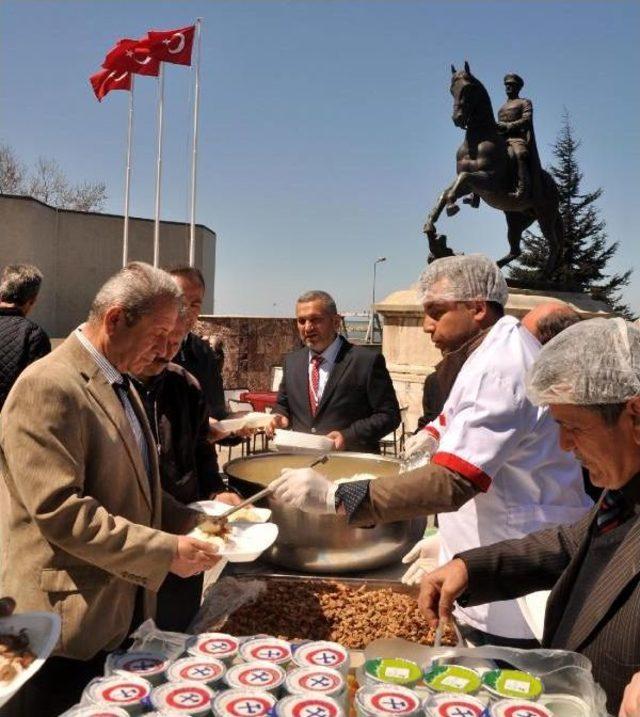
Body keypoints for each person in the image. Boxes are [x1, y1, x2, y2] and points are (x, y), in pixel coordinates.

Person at [272, 256, 591, 645]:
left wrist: (336, 496)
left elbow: (452, 482)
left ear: (476, 307)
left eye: (436, 312)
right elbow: (455, 422)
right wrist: (452, 535)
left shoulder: (502, 364)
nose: (426, 325)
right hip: (493, 546)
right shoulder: (486, 352)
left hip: (518, 569)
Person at [0, 262, 221, 716]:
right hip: (60, 632)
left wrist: (194, 520)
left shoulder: (123, 382)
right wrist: (166, 552)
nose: (166, 353)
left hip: (116, 618)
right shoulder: (48, 385)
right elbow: (64, 513)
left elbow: (140, 490)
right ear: (116, 319)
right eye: (159, 336)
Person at [418, 318, 640, 715]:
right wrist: (471, 568)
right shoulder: (624, 485)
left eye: (573, 427)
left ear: (635, 416)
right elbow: (572, 543)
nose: (564, 444)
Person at [131, 306, 241, 632]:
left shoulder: (185, 385)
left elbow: (202, 454)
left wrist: (218, 491)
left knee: (176, 632)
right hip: (132, 543)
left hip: (187, 539)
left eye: (176, 342)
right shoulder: (111, 388)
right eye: (158, 339)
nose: (165, 352)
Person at [268, 290, 400, 453]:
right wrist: (279, 418)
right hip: (302, 464)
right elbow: (283, 405)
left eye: (316, 320)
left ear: (336, 322)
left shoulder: (366, 361)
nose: (308, 327)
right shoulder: (292, 362)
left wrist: (348, 436)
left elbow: (389, 416)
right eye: (302, 321)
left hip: (350, 465)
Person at [169, 265, 227, 421]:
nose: (187, 311)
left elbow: (217, 414)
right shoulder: (144, 352)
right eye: (180, 302)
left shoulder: (204, 352)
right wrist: (201, 427)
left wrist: (237, 427)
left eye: (194, 304)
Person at [0, 263, 51, 411]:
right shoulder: (33, 336)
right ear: (32, 300)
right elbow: (39, 392)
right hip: (9, 426)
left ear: (1, 294)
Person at [496, 73, 537, 199]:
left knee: (520, 154)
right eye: (507, 85)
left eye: (512, 85)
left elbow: (526, 120)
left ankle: (522, 190)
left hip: (516, 138)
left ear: (518, 88)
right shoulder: (501, 108)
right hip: (501, 139)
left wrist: (509, 126)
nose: (508, 87)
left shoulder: (524, 102)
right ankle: (475, 194)